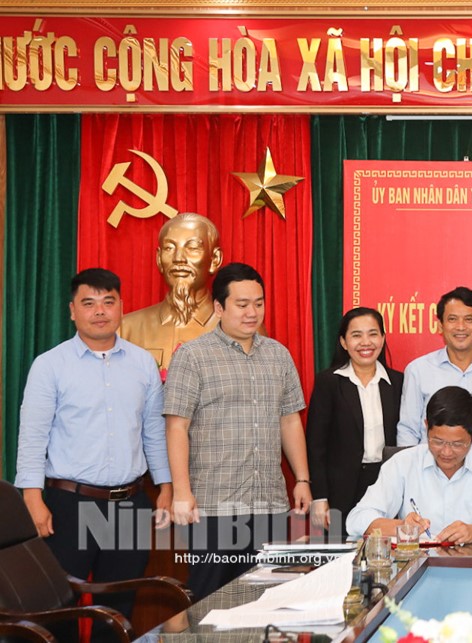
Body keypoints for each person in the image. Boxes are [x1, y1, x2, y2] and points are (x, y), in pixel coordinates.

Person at [14, 268, 171, 629]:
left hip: (130, 504)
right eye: (89, 303)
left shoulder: (142, 363)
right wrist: (32, 499)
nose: (100, 311)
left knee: (119, 610)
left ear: (121, 308)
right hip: (69, 505)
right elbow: (33, 436)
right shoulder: (50, 365)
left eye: (108, 302)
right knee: (60, 608)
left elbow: (152, 431)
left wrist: (166, 486)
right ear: (73, 311)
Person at [164, 262, 311, 600]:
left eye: (258, 303)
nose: (252, 312)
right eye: (242, 304)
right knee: (210, 602)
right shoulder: (193, 356)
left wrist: (302, 479)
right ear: (219, 307)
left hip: (268, 503)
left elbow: (289, 420)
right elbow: (176, 426)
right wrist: (181, 492)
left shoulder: (278, 355)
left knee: (266, 598)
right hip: (213, 506)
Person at [347, 386, 472, 542]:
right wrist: (402, 526)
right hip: (417, 563)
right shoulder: (403, 463)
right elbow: (357, 519)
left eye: (457, 444)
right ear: (426, 426)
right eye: (437, 441)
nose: (446, 452)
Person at [306, 307, 403, 539]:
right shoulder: (329, 382)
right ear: (343, 342)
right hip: (340, 490)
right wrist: (320, 497)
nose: (365, 342)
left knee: (386, 550)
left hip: (386, 483)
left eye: (373, 334)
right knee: (341, 551)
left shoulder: (399, 382)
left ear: (383, 338)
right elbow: (316, 445)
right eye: (356, 335)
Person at [397, 286, 472, 446]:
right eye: (452, 319)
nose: (460, 327)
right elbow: (408, 431)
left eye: (468, 319)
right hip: (431, 461)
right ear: (440, 325)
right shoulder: (418, 370)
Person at [119, 212, 224, 374]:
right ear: (159, 259)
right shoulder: (126, 329)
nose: (179, 258)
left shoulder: (237, 328)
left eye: (192, 248)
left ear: (215, 259)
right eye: (169, 248)